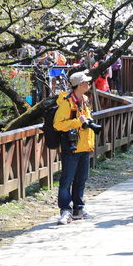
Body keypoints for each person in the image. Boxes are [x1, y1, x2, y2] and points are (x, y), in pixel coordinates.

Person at [54, 72, 99, 224]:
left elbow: (87, 124)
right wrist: (76, 122)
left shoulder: (84, 100)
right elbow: (58, 124)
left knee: (81, 179)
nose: (88, 84)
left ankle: (78, 208)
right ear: (79, 85)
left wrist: (90, 144)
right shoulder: (67, 103)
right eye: (86, 82)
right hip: (71, 147)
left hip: (84, 147)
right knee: (67, 180)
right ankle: (65, 210)